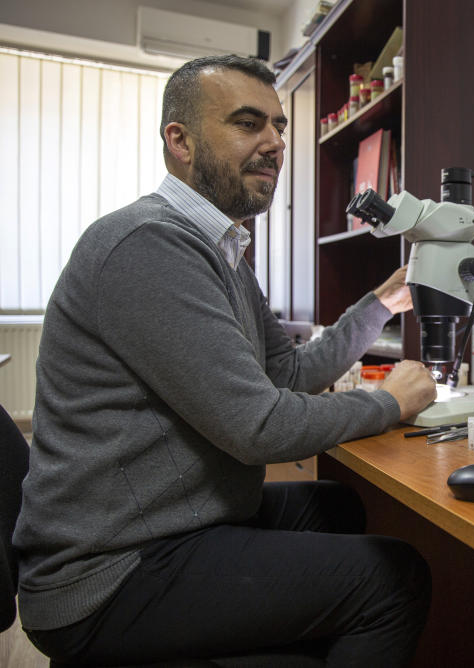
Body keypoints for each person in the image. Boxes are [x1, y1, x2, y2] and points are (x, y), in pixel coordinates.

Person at [13, 54, 438, 666]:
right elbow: (258, 428)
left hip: (166, 521)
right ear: (178, 141)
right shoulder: (151, 244)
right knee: (392, 579)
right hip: (109, 571)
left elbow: (285, 374)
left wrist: (379, 305)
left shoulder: (220, 248)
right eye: (247, 124)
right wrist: (388, 402)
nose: (273, 143)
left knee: (336, 506)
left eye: (279, 125)